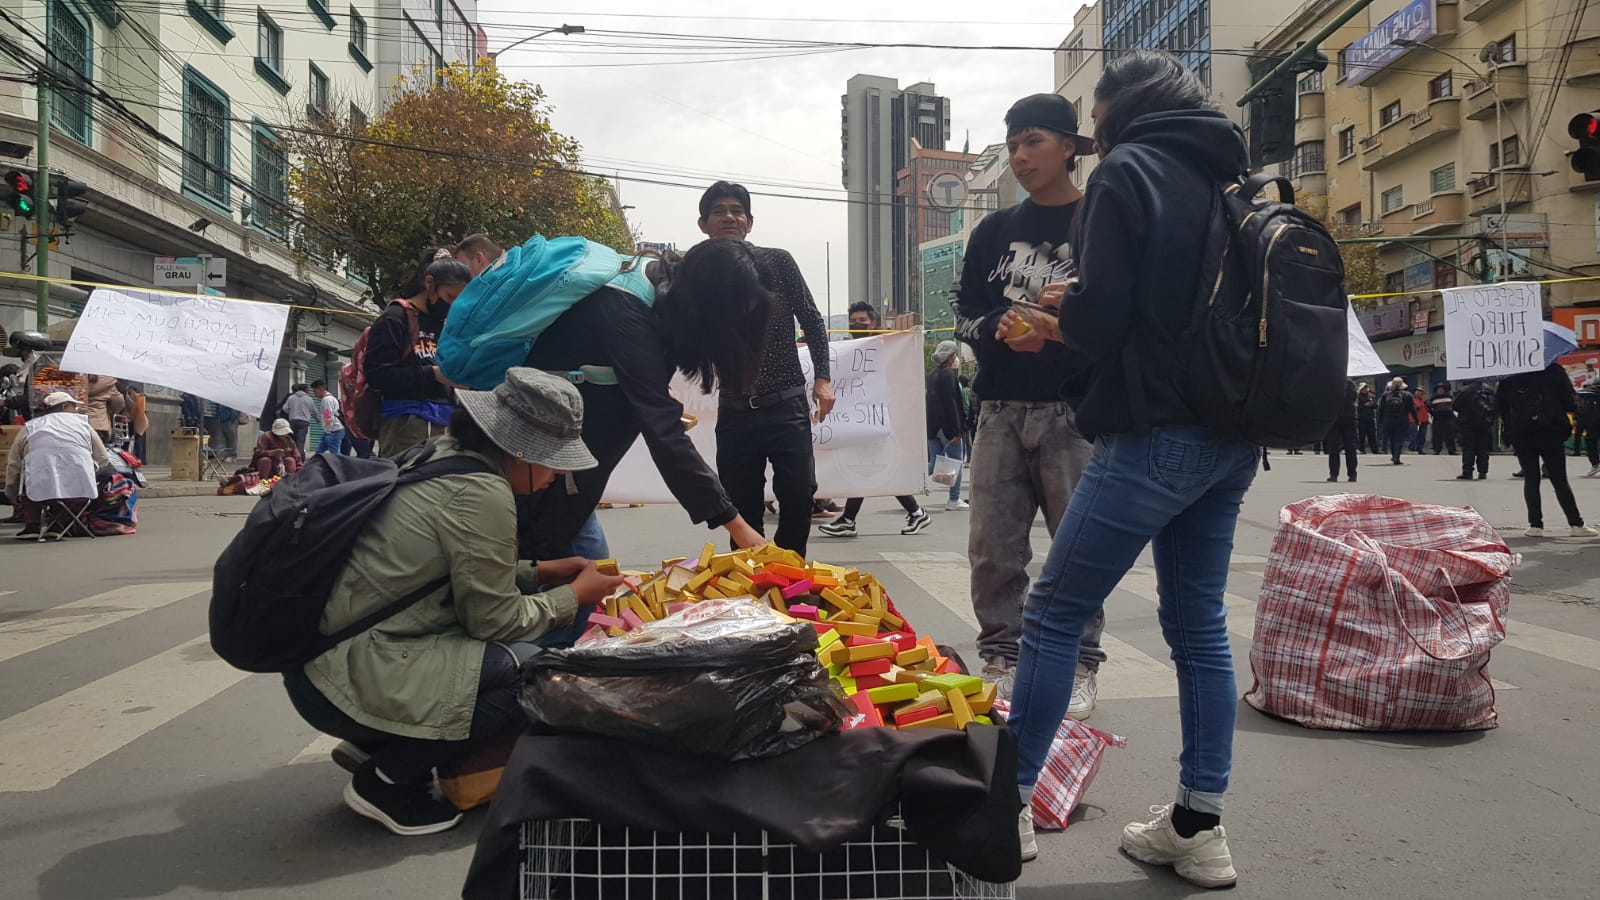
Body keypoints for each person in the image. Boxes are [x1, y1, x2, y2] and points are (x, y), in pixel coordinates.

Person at [1002, 52, 1261, 886]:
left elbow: (1107, 318)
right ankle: (1198, 824)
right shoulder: (1227, 176)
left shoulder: (1129, 171)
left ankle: (1006, 807)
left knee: (1050, 615)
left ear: (1115, 110)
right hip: (1229, 436)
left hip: (1155, 432)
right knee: (1199, 634)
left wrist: (1055, 320)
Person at [282, 369, 626, 837]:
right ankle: (387, 778)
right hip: (351, 676)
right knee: (536, 670)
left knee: (503, 660)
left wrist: (539, 572)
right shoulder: (482, 493)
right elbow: (495, 620)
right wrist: (574, 597)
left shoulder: (442, 454)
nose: (558, 474)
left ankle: (379, 742)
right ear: (519, 451)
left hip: (323, 662)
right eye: (553, 461)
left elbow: (441, 574)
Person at [449, 235, 767, 560]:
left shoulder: (653, 283)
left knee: (587, 565)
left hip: (563, 474)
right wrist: (736, 524)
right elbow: (663, 432)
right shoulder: (626, 314)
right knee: (540, 571)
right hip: (540, 470)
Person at [952, 92, 1105, 710]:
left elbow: (1123, 316)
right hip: (998, 411)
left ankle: (1081, 664)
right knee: (993, 548)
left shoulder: (1100, 222)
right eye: (1013, 145)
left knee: (1077, 546)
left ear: (1069, 147)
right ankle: (1001, 656)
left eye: (1033, 142)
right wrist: (994, 328)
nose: (1019, 156)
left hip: (1076, 413)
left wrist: (1069, 320)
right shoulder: (994, 230)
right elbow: (960, 315)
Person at [697, 181, 833, 557]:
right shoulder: (700, 274)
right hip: (735, 412)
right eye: (719, 211)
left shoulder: (778, 262)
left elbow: (811, 319)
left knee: (798, 494)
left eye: (737, 210)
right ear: (703, 223)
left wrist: (822, 378)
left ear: (750, 222)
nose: (729, 217)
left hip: (786, 406)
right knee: (740, 508)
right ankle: (750, 591)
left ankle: (790, 581)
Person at [818, 302, 932, 538]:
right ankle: (913, 512)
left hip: (880, 420)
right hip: (858, 421)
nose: (856, 325)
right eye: (853, 321)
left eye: (862, 321)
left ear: (874, 323)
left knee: (867, 470)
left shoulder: (888, 348)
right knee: (864, 471)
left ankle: (852, 519)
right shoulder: (845, 350)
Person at [366, 249, 472, 458]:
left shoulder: (443, 324)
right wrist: (432, 374)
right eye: (449, 297)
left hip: (445, 421)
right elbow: (377, 375)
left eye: (458, 301)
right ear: (429, 283)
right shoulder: (395, 318)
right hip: (405, 424)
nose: (451, 306)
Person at [1498, 363, 1598, 539]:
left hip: (1521, 433)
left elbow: (1500, 406)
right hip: (1550, 431)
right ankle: (1576, 524)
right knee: (1559, 479)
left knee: (1531, 477)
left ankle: (1535, 526)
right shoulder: (1553, 370)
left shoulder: (1511, 373)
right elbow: (1569, 402)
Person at [5, 391, 110, 540]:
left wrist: (11, 492)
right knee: (72, 476)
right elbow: (103, 457)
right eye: (74, 406)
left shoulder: (31, 426)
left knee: (29, 471)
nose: (76, 410)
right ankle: (58, 525)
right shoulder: (83, 425)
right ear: (65, 406)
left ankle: (32, 526)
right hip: (80, 492)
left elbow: (14, 463)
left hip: (37, 492)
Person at [1453, 379, 1496, 480]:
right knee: (1483, 448)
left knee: (1468, 448)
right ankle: (1483, 472)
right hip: (1485, 424)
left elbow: (1456, 406)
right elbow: (1495, 406)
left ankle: (1467, 472)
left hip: (1468, 424)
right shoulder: (1490, 390)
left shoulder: (1465, 390)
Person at [1378, 378, 1418, 465]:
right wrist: (1416, 419)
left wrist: (1381, 420)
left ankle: (1394, 455)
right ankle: (1397, 456)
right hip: (1402, 419)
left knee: (1392, 439)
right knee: (1399, 439)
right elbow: (1412, 409)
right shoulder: (1407, 395)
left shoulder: (1386, 395)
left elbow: (1380, 409)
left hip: (1388, 419)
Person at [1325, 379, 1358, 483]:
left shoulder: (1331, 382)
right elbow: (1354, 397)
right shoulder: (1351, 384)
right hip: (1349, 417)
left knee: (1334, 447)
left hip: (1334, 416)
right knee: (1350, 447)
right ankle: (1352, 474)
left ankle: (1334, 474)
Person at [84, 374, 125, 444]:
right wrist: (110, 410)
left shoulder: (77, 380)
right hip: (99, 427)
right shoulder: (108, 383)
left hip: (78, 424)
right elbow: (119, 403)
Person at [280, 384, 318, 454]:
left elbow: (284, 408)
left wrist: (291, 413)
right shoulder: (308, 399)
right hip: (303, 422)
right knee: (300, 440)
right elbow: (314, 411)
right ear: (305, 390)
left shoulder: (291, 397)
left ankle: (292, 456)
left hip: (292, 421)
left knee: (292, 440)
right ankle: (300, 457)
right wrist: (317, 419)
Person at [313, 380, 347, 455]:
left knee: (335, 454)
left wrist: (328, 431)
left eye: (315, 391)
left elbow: (327, 416)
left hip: (333, 431)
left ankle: (339, 466)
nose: (314, 394)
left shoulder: (326, 400)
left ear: (321, 389)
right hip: (332, 430)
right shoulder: (331, 398)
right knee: (319, 453)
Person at [1575, 386, 1600, 477]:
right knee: (1591, 441)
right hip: (1594, 421)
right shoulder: (1593, 394)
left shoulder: (1586, 395)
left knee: (1590, 441)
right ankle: (1595, 464)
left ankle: (1595, 464)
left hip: (1592, 422)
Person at [1428, 384, 1458, 456]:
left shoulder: (1449, 397)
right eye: (1439, 389)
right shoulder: (1433, 398)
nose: (1440, 390)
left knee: (1450, 435)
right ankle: (1437, 450)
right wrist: (1433, 414)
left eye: (1442, 389)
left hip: (1448, 419)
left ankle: (1451, 450)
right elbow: (1429, 408)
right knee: (1437, 435)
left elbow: (1454, 406)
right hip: (1437, 419)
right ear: (1436, 390)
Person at [1356, 382, 1378, 454]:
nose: (1365, 389)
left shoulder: (1371, 396)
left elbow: (1376, 406)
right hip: (1361, 418)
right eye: (1363, 388)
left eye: (1366, 388)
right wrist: (1364, 405)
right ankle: (1361, 449)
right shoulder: (1358, 397)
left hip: (1370, 417)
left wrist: (1372, 404)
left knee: (1372, 434)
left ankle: (1374, 449)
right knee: (1362, 435)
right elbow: (1356, 407)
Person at [1410, 387, 1431, 454]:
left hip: (1424, 420)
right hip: (1415, 420)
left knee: (1422, 436)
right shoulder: (1413, 400)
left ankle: (1420, 448)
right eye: (1418, 391)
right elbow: (1416, 407)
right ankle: (1412, 448)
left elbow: (1428, 410)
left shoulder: (1424, 402)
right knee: (1414, 435)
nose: (1419, 393)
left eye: (1421, 392)